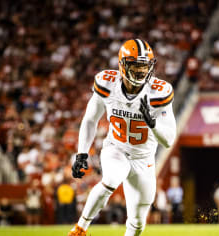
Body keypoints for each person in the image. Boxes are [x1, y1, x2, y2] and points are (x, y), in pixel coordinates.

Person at [68, 38, 177, 236]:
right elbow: (90, 119)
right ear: (122, 65)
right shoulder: (107, 83)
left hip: (144, 159)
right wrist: (81, 153)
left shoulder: (159, 92)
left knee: (137, 223)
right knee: (111, 179)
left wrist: (152, 124)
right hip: (116, 148)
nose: (141, 71)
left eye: (145, 66)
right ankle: (79, 229)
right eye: (136, 65)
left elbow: (168, 140)